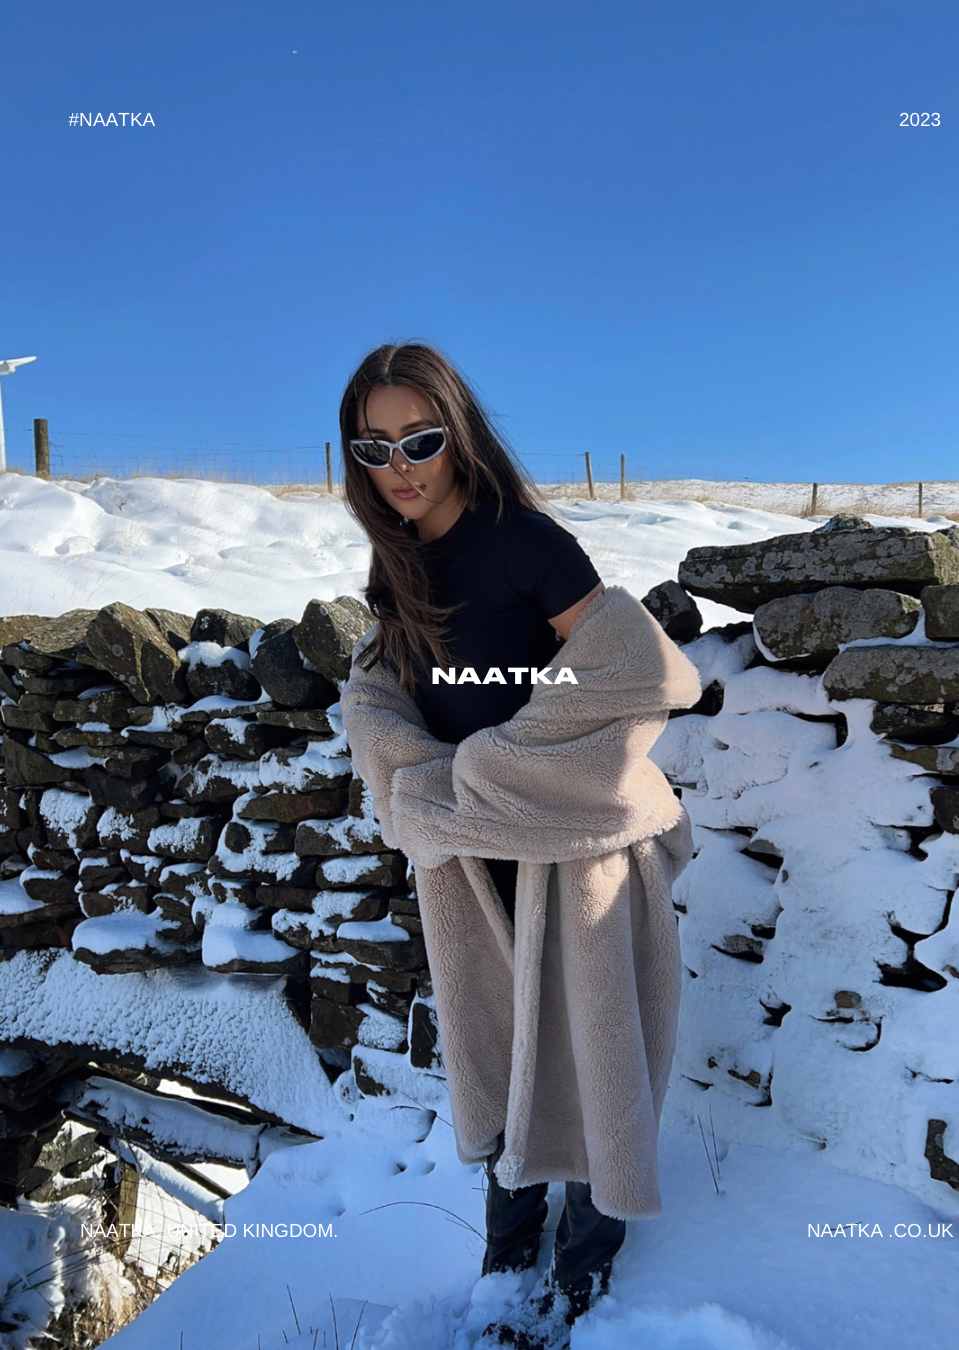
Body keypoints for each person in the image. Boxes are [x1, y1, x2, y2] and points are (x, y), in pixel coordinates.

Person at [338, 343, 698, 1349]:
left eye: (419, 438)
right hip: (470, 857)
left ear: (457, 434)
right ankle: (507, 1257)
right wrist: (424, 769)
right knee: (498, 1046)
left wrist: (492, 765)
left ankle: (579, 1272)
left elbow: (627, 675)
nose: (399, 463)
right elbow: (397, 686)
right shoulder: (395, 562)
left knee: (590, 1053)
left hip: (570, 846)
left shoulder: (527, 543)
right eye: (375, 444)